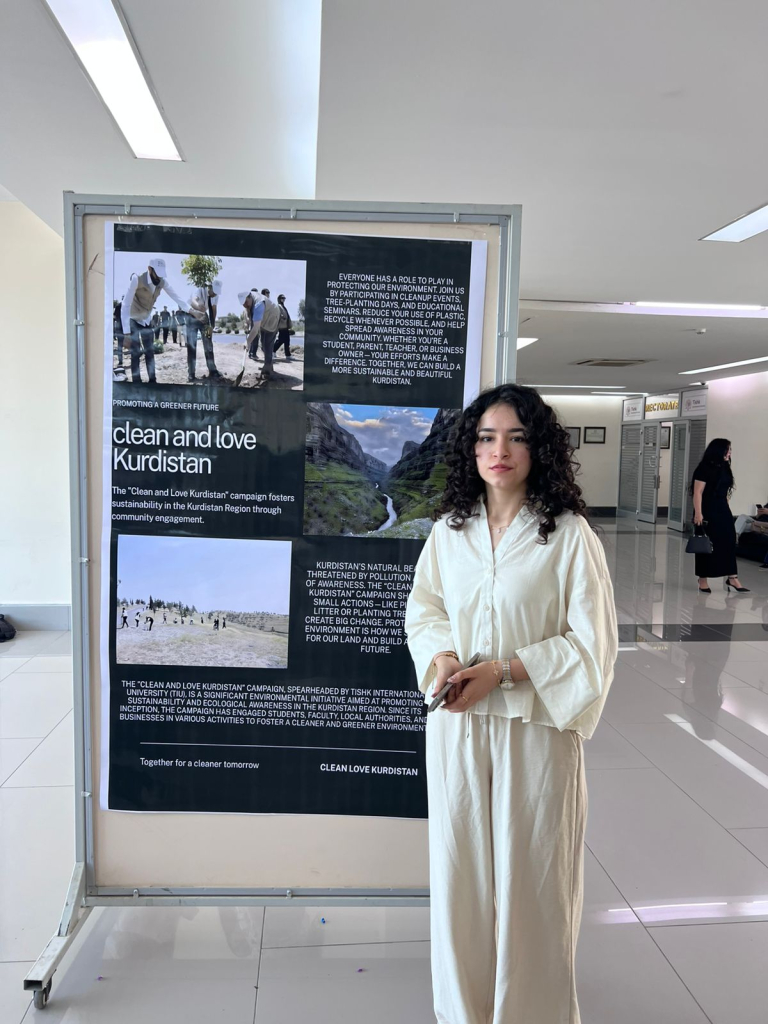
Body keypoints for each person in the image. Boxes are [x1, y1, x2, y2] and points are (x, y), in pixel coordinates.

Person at [404, 383, 618, 1024]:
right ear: (471, 450)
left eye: (517, 437)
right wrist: (444, 659)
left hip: (537, 729)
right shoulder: (450, 531)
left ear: (538, 448)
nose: (500, 450)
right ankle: (464, 1014)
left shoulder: (569, 535)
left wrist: (503, 672)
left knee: (535, 882)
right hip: (460, 728)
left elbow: (594, 643)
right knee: (460, 878)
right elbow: (426, 608)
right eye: (487, 437)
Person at [121, 258, 201, 384]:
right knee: (135, 352)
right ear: (150, 269)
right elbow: (125, 305)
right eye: (157, 274)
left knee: (149, 351)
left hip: (146, 319)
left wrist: (192, 311)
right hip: (133, 318)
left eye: (161, 274)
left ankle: (153, 382)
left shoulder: (162, 282)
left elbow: (177, 297)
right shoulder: (137, 279)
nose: (158, 278)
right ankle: (137, 383)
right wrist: (126, 333)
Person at [691, 438, 749, 593]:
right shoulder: (704, 468)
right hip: (707, 510)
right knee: (705, 545)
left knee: (729, 541)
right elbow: (697, 492)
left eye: (730, 450)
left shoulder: (725, 467)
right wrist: (698, 513)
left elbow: (725, 490)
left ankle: (732, 577)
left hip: (722, 509)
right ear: (718, 450)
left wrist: (727, 507)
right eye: (727, 450)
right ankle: (702, 579)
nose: (729, 453)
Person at [186, 277, 223, 381]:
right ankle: (191, 373)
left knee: (208, 345)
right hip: (192, 315)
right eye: (213, 292)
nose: (214, 295)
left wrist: (212, 325)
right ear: (209, 287)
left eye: (216, 293)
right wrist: (199, 307)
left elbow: (214, 310)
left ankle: (212, 370)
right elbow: (193, 301)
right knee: (192, 346)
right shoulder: (200, 289)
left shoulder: (215, 295)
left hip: (205, 318)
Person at [259, 288, 281, 377]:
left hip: (271, 326)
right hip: (263, 326)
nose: (268, 294)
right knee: (263, 345)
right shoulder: (261, 302)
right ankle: (268, 364)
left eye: (269, 293)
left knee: (268, 345)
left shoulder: (271, 304)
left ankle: (268, 368)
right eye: (267, 293)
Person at [246, 288, 266, 361]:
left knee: (255, 338)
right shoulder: (249, 303)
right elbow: (247, 313)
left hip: (256, 322)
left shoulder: (257, 303)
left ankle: (252, 352)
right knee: (254, 338)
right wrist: (248, 321)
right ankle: (252, 353)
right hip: (253, 322)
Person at [274, 294, 293, 360]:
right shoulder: (278, 306)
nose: (283, 299)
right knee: (281, 340)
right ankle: (273, 351)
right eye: (282, 298)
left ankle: (288, 355)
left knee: (287, 341)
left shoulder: (283, 306)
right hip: (281, 326)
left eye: (284, 298)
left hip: (285, 326)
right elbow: (277, 314)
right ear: (279, 299)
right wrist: (282, 317)